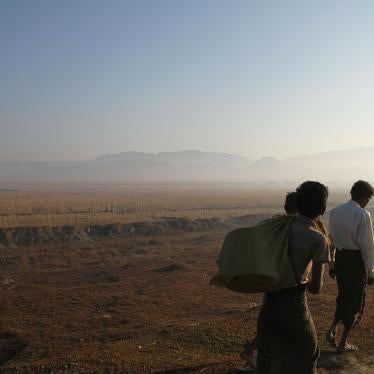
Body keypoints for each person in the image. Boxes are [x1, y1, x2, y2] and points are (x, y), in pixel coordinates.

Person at [256, 181, 330, 374]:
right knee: (308, 357)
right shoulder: (317, 238)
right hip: (295, 307)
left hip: (269, 304)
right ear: (322, 208)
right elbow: (315, 289)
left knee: (266, 360)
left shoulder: (277, 228)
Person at [239, 192, 298, 370]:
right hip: (287, 282)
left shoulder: (274, 225)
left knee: (272, 320)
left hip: (272, 279)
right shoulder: (297, 228)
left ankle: (254, 350)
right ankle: (254, 351)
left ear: (285, 207)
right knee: (282, 322)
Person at [326, 180, 374, 353]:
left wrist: (331, 265)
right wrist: (370, 272)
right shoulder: (363, 215)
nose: (368, 201)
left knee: (343, 297)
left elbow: (330, 240)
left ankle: (331, 331)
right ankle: (342, 343)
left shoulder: (335, 212)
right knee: (354, 302)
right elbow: (367, 246)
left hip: (340, 259)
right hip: (355, 262)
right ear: (364, 197)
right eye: (369, 198)